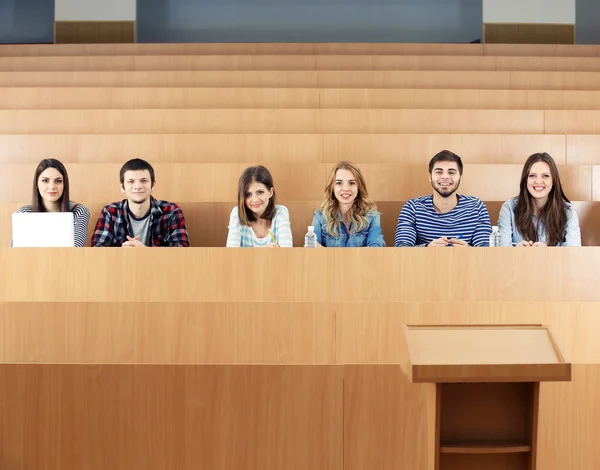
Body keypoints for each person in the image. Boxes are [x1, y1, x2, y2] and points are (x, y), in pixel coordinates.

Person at [394, 150, 491, 247]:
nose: (445, 177)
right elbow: (401, 248)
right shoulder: (412, 207)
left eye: (451, 172)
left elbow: (486, 251)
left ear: (460, 179)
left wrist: (468, 251)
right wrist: (427, 248)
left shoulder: (477, 207)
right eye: (439, 172)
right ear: (430, 177)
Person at [91, 158, 189, 247]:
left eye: (144, 181)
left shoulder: (171, 211)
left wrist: (145, 253)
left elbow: (180, 251)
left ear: (153, 185)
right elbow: (98, 251)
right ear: (122, 187)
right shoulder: (110, 212)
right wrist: (121, 254)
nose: (137, 186)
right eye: (131, 181)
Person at [498, 152, 581, 247]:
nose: (538, 181)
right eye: (532, 175)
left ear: (553, 180)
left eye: (545, 176)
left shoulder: (568, 211)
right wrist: (516, 251)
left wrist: (547, 253)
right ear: (525, 180)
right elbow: (502, 251)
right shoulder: (508, 208)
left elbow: (573, 253)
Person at [11, 158, 90, 247]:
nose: (52, 186)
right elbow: (15, 250)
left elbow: (76, 248)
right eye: (45, 181)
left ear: (64, 185)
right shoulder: (24, 213)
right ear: (37, 184)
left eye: (58, 181)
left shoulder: (79, 211)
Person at [311, 161, 384, 247]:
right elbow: (312, 246)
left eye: (351, 183)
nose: (345, 188)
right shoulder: (320, 216)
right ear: (332, 187)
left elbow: (376, 246)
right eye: (339, 183)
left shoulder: (372, 215)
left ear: (359, 186)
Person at [226, 165, 292, 247]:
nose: (255, 200)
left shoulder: (280, 212)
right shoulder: (237, 214)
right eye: (248, 194)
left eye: (260, 192)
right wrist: (263, 253)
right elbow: (231, 253)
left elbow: (287, 251)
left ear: (270, 192)